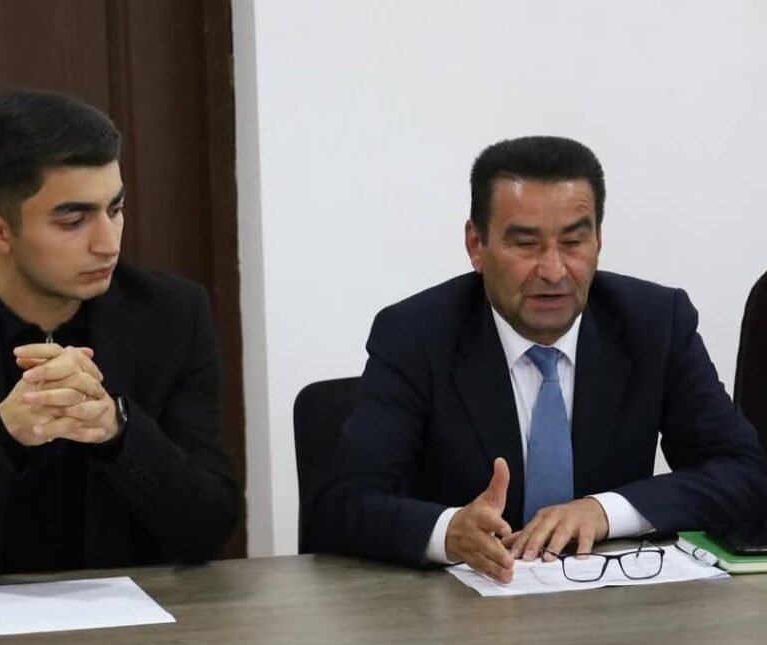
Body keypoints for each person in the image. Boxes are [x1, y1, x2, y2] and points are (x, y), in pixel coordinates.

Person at [309, 136, 767, 582]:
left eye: (573, 242)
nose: (552, 270)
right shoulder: (415, 335)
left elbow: (745, 473)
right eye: (526, 244)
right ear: (476, 245)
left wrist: (604, 511)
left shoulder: (654, 324)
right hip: (457, 612)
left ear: (598, 240)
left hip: (613, 609)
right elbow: (343, 503)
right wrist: (449, 532)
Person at [0, 89, 238, 582]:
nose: (108, 243)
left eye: (115, 209)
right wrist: (4, 435)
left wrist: (118, 429)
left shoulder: (173, 316)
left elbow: (210, 527)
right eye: (74, 221)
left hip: (133, 617)